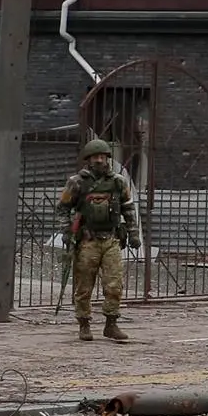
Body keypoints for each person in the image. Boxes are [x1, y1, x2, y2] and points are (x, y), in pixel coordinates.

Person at [57, 138, 139, 342]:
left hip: (111, 239)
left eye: (102, 157)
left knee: (114, 284)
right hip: (87, 241)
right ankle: (84, 324)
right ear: (89, 160)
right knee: (84, 285)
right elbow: (63, 208)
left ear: (108, 158)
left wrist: (134, 232)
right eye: (95, 157)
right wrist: (66, 231)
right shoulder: (77, 182)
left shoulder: (118, 182)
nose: (99, 160)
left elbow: (128, 208)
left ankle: (111, 323)